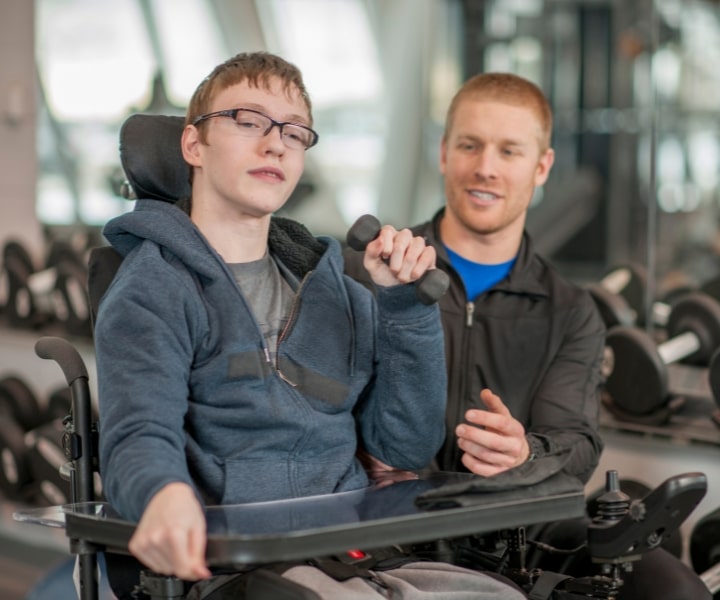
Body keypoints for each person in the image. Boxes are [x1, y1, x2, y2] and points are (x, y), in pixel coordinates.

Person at [94, 52, 528, 599]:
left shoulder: (339, 292)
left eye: (294, 133)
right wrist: (163, 496)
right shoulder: (154, 287)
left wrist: (403, 308)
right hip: (239, 567)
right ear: (193, 145)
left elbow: (405, 444)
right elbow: (138, 433)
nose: (275, 142)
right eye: (248, 121)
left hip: (353, 557)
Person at [343, 72, 606, 578]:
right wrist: (355, 453)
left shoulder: (570, 311)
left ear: (542, 166)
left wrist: (526, 451)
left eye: (509, 151)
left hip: (507, 541)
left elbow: (577, 441)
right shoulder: (365, 272)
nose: (485, 168)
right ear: (444, 152)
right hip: (376, 536)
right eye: (470, 145)